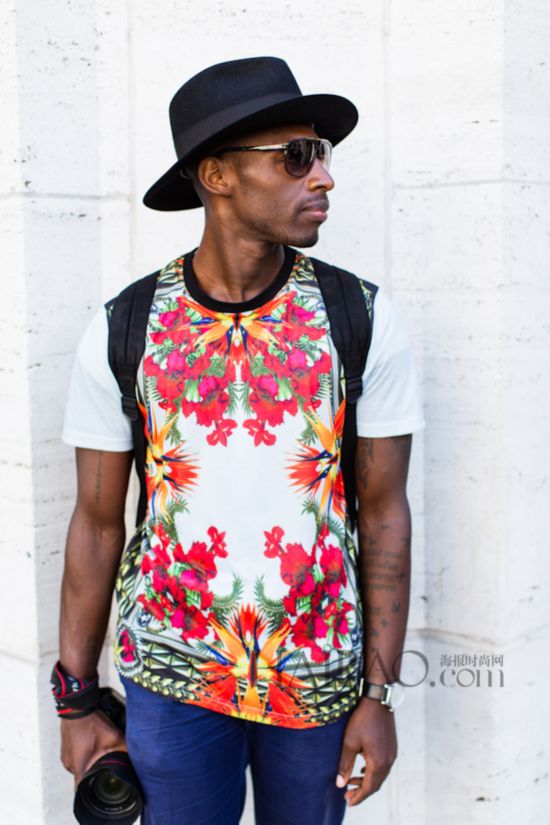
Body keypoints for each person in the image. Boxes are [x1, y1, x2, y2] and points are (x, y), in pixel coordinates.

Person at [55, 56, 424, 825]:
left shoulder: (358, 317)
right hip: (171, 680)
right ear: (216, 175)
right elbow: (96, 522)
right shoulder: (126, 328)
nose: (323, 176)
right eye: (296, 156)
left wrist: (378, 692)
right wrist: (76, 698)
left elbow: (385, 511)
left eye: (322, 153)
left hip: (317, 680)